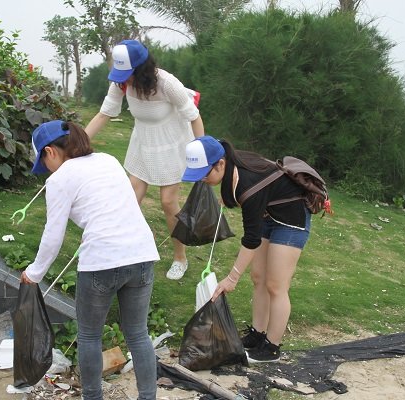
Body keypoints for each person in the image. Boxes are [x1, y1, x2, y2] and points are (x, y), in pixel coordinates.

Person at [21, 120, 160, 399]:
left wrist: (34, 274)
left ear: (50, 152)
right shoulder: (108, 160)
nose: (45, 169)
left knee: (89, 336)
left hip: (102, 261)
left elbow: (53, 235)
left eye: (43, 161)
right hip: (142, 254)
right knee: (137, 334)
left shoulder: (59, 179)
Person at [181, 135, 312, 363]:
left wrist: (232, 278)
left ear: (220, 164)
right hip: (268, 214)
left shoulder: (247, 184)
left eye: (204, 174)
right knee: (258, 276)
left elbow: (251, 239)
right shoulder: (230, 169)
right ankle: (257, 333)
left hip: (292, 219)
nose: (201, 180)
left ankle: (271, 347)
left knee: (276, 285)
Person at [85, 39, 205, 281]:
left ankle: (180, 257)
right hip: (143, 143)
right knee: (129, 199)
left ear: (142, 69)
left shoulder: (166, 83)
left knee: (168, 202)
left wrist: (202, 156)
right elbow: (105, 113)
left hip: (172, 143)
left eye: (128, 73)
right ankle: (121, 252)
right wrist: (77, 144)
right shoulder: (120, 82)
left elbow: (194, 116)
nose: (124, 79)